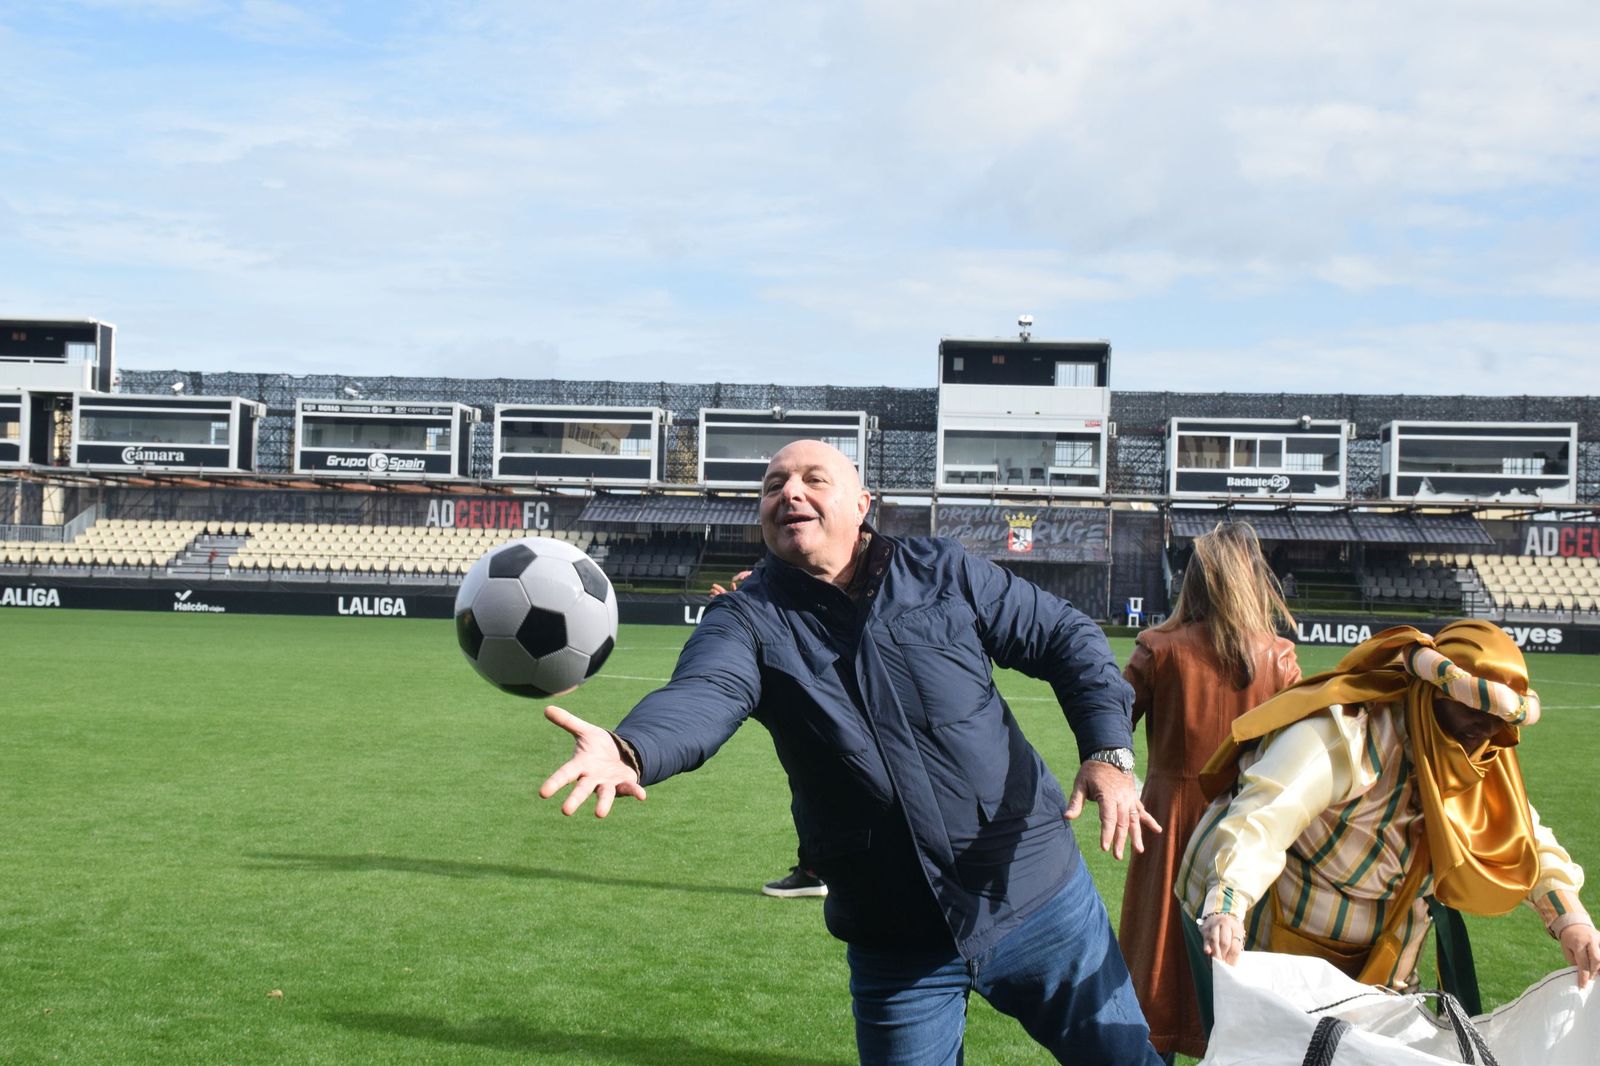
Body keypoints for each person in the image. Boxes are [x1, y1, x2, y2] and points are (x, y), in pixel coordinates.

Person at [539, 438, 1164, 1065]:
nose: (790, 492)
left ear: (863, 504)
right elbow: (706, 690)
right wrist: (633, 748)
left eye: (814, 478)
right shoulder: (746, 619)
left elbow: (1065, 636)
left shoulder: (942, 571)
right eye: (773, 484)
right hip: (895, 939)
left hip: (1036, 897)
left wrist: (1109, 750)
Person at [1179, 620, 1600, 1021]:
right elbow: (1265, 813)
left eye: (1499, 719)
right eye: (1471, 703)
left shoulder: (1477, 754)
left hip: (1383, 943)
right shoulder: (1348, 733)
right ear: (1430, 691)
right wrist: (1228, 902)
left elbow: (1525, 835)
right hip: (1266, 918)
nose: (1486, 727)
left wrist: (1571, 919)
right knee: (1267, 1049)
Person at [1117, 522, 1300, 1062]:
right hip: (1249, 824)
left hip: (1169, 821)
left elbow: (1109, 723)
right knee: (1240, 956)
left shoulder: (1157, 649)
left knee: (1157, 963)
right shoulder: (1279, 657)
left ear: (1193, 582)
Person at [710, 565, 827, 899]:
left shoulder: (809, 598)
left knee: (817, 791)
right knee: (810, 791)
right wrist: (734, 605)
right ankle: (815, 870)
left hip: (817, 707)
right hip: (806, 708)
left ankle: (817, 872)